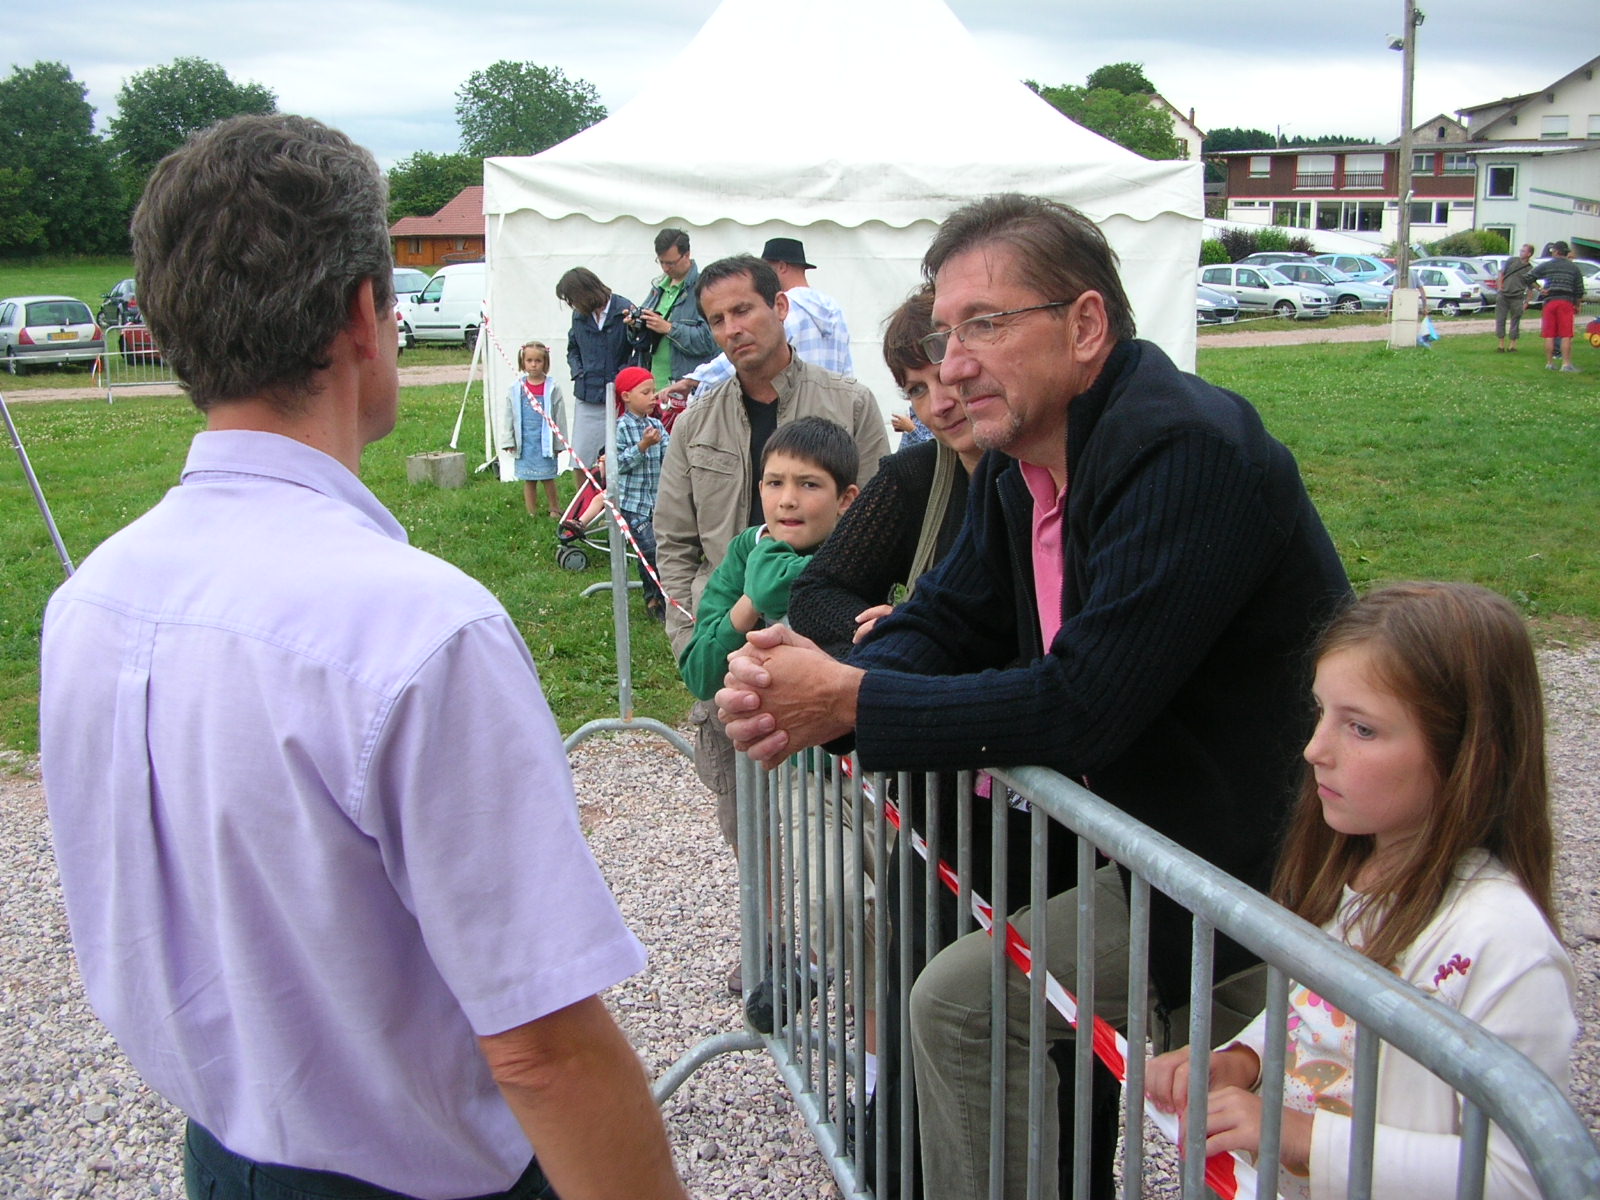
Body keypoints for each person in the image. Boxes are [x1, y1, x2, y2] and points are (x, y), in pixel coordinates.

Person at [38, 114, 685, 1200]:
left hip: (223, 1151)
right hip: (419, 1176)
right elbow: (543, 1047)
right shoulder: (419, 629)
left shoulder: (90, 597)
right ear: (362, 317)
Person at [716, 193, 1351, 1198]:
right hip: (1150, 855)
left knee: (1265, 1150)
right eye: (944, 333)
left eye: (985, 325)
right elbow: (944, 620)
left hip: (1262, 873)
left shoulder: (1184, 448)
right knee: (964, 1005)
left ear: (1085, 325)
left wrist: (847, 703)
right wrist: (813, 678)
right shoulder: (1024, 467)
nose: (953, 364)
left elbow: (1085, 702)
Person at [1147, 581, 1576, 1200]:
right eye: (1321, 712)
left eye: (1362, 729)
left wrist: (1299, 1137)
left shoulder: (1506, 945)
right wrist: (1244, 1061)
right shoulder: (1351, 873)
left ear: (1468, 755)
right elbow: (1317, 1015)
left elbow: (1519, 1175)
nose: (1314, 749)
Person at [655, 253, 889, 992]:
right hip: (728, 649)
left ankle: (872, 963)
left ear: (779, 308)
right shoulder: (696, 423)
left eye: (743, 311)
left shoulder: (849, 404)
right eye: (716, 319)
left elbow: (887, 521)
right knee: (745, 817)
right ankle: (773, 946)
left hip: (827, 656)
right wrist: (694, 635)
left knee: (849, 826)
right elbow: (674, 542)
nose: (732, 329)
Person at [678, 416, 859, 699]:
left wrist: (775, 575)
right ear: (761, 489)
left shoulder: (859, 556)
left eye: (809, 484)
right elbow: (699, 677)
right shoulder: (745, 551)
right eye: (775, 483)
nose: (787, 500)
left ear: (845, 499)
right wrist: (750, 602)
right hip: (752, 718)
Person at [669, 236, 855, 402]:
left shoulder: (789, 307)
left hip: (796, 407)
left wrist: (696, 378)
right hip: (833, 405)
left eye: (767, 267)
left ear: (781, 266)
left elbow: (746, 354)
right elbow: (847, 369)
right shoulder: (833, 309)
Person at [555, 266, 635, 473]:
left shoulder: (624, 310)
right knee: (580, 459)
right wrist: (578, 372)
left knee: (618, 458)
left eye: (572, 299)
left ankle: (611, 494)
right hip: (588, 395)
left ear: (584, 292)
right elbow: (573, 349)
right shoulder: (578, 316)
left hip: (620, 396)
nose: (572, 305)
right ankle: (584, 496)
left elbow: (638, 349)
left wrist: (622, 377)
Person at [612, 365, 671, 621]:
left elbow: (671, 455)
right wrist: (643, 445)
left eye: (653, 392)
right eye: (645, 392)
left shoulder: (656, 424)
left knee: (652, 551)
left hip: (657, 503)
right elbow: (617, 465)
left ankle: (655, 599)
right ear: (626, 396)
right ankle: (657, 598)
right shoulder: (620, 427)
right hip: (633, 505)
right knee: (650, 550)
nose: (653, 397)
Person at [628, 228, 718, 389]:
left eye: (670, 263)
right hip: (654, 384)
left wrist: (668, 328)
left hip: (688, 388)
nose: (665, 268)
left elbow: (709, 341)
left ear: (687, 255)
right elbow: (643, 340)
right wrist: (636, 325)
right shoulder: (658, 288)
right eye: (661, 261)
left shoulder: (705, 289)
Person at [500, 340, 565, 519]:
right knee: (529, 479)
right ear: (523, 362)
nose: (534, 365)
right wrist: (509, 440)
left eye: (538, 361)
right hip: (525, 441)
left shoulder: (552, 388)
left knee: (547, 477)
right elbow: (509, 415)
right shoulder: (516, 388)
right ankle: (531, 512)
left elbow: (559, 416)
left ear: (545, 362)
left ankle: (554, 508)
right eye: (529, 360)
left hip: (545, 442)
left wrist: (559, 443)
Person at [1534, 241, 1583, 372]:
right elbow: (1579, 289)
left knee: (1549, 334)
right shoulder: (1573, 267)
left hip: (1550, 301)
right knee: (1566, 334)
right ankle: (1566, 364)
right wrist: (1577, 305)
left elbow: (1528, 277)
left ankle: (1549, 363)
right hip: (1566, 302)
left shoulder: (1547, 265)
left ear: (1555, 252)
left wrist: (1540, 289)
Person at [1495, 244, 1535, 352]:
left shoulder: (1529, 269)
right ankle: (1501, 345)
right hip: (1503, 295)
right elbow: (1501, 273)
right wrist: (1499, 288)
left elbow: (1531, 287)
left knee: (1515, 320)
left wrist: (1527, 302)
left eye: (1523, 251)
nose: (1521, 252)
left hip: (1517, 297)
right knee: (1500, 319)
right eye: (1521, 250)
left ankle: (1512, 345)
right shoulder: (1512, 261)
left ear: (1529, 254)